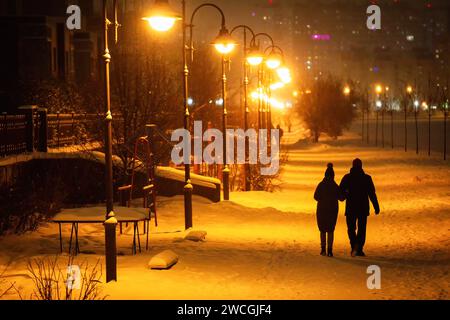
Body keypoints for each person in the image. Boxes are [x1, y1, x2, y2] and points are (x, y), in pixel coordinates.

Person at [340, 158, 380, 257]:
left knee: (351, 228)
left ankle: (354, 246)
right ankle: (359, 248)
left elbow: (341, 192)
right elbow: (372, 194)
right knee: (362, 229)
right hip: (363, 208)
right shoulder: (367, 178)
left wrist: (344, 195)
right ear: (361, 166)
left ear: (352, 166)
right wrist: (376, 206)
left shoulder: (347, 178)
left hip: (351, 208)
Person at [314, 163, 344, 257]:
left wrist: (323, 199)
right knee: (331, 229)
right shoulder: (335, 186)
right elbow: (341, 198)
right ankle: (330, 250)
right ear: (333, 176)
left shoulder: (321, 185)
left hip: (321, 210)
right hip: (332, 210)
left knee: (322, 229)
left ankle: (323, 249)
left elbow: (315, 196)